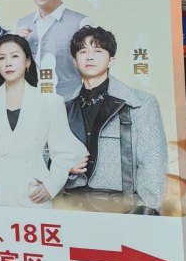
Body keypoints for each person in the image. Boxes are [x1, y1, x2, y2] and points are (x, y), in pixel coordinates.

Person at [0, 35, 87, 209]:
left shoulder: (50, 101)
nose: (8, 63)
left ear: (27, 62)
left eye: (15, 56)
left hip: (33, 193)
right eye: (2, 58)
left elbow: (64, 150)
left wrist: (52, 185)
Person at [62, 26, 168, 214]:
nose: (89, 57)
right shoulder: (62, 105)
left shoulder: (140, 102)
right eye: (83, 51)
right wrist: (62, 167)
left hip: (121, 208)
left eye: (97, 51)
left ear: (111, 60)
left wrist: (146, 210)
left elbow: (153, 163)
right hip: (70, 206)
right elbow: (46, 155)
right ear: (75, 62)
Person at [13, 0, 92, 97]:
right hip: (29, 103)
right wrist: (15, 45)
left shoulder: (80, 23)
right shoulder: (21, 24)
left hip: (69, 103)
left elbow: (93, 70)